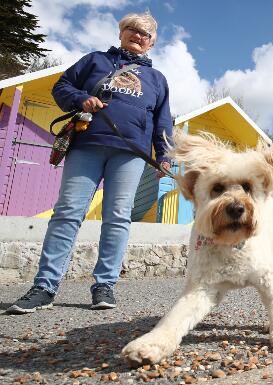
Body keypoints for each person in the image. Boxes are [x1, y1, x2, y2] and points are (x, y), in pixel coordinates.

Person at [7, 12, 173, 314]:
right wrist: (81, 98)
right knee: (68, 212)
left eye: (144, 35)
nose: (137, 37)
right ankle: (44, 286)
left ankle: (104, 284)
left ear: (151, 44)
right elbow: (61, 86)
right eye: (132, 31)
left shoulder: (157, 79)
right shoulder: (95, 60)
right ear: (121, 33)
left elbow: (162, 122)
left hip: (131, 154)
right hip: (87, 145)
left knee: (118, 216)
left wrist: (164, 155)